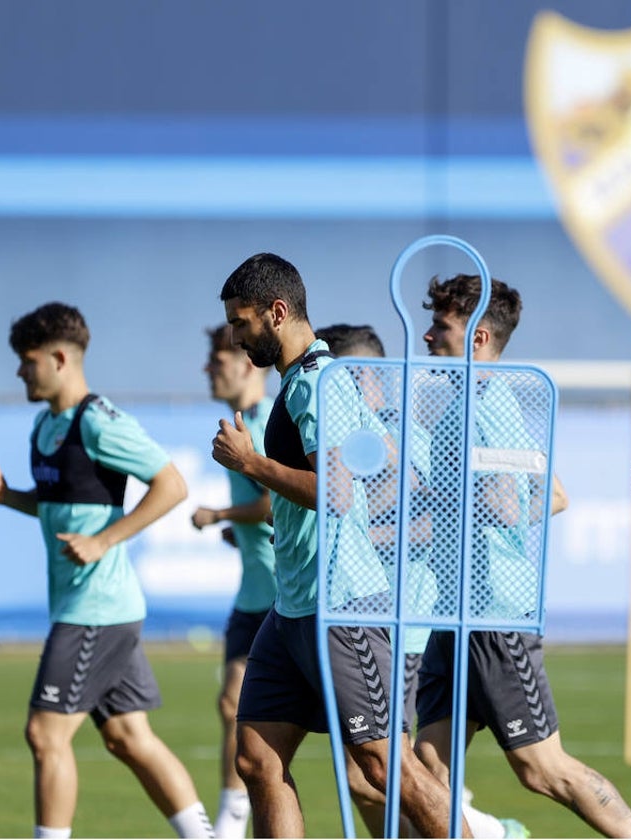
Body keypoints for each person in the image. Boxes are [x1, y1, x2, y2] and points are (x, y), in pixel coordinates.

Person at [210, 253, 466, 838]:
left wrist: (252, 463)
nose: (236, 336)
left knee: (383, 766)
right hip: (295, 604)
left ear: (277, 313)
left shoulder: (318, 385)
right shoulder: (306, 382)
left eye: (242, 322)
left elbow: (338, 493)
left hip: (343, 604)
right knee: (256, 758)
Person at [412, 274, 631, 840]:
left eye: (440, 327)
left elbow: (530, 502)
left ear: (478, 338)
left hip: (495, 615)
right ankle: (494, 834)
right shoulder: (463, 406)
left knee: (543, 770)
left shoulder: (491, 408)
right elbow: (533, 497)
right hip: (454, 615)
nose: (425, 336)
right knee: (428, 765)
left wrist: (459, 505)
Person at [0, 302, 213, 839]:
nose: (19, 371)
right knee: (129, 737)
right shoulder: (45, 424)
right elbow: (60, 501)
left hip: (96, 609)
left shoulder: (102, 423)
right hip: (93, 608)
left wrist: (104, 540)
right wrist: (9, 497)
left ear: (60, 358)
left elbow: (172, 484)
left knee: (45, 734)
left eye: (27, 360)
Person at [314, 322, 525, 839]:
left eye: (336, 380)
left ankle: (491, 832)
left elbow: (442, 516)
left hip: (405, 627)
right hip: (364, 621)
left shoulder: (404, 438)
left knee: (381, 774)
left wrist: (366, 534)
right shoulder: (352, 438)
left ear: (362, 377)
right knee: (376, 775)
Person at [190, 324, 275, 839]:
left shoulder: (264, 425)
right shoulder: (238, 421)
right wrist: (237, 531)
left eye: (216, 360)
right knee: (230, 703)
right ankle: (228, 823)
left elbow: (280, 499)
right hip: (253, 593)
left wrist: (221, 513)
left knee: (361, 755)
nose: (207, 369)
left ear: (246, 365)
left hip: (288, 595)